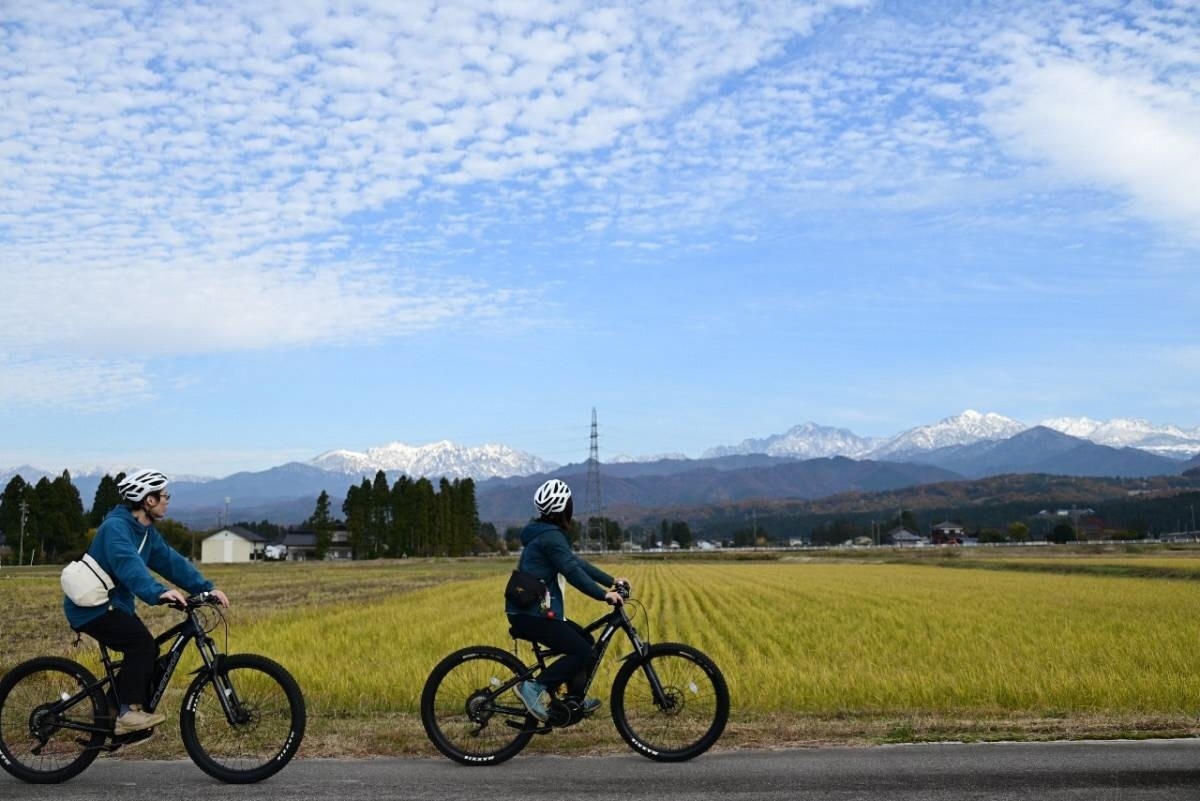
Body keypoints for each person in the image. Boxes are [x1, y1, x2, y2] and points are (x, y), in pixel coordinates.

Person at [63, 469, 229, 737]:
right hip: (91, 608)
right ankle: (127, 713)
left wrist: (206, 588)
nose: (167, 501)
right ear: (148, 500)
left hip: (114, 605)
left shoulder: (146, 533)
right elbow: (129, 566)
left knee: (147, 650)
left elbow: (171, 562)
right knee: (141, 645)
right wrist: (158, 592)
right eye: (164, 496)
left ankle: (108, 715)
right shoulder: (115, 528)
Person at [506, 478, 627, 722]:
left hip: (535, 611)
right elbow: (572, 573)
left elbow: (576, 563)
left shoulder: (546, 533)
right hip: (532, 614)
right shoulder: (550, 537)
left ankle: (574, 700)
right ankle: (534, 688)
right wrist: (604, 595)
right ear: (563, 508)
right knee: (582, 651)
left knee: (586, 641)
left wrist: (611, 580)